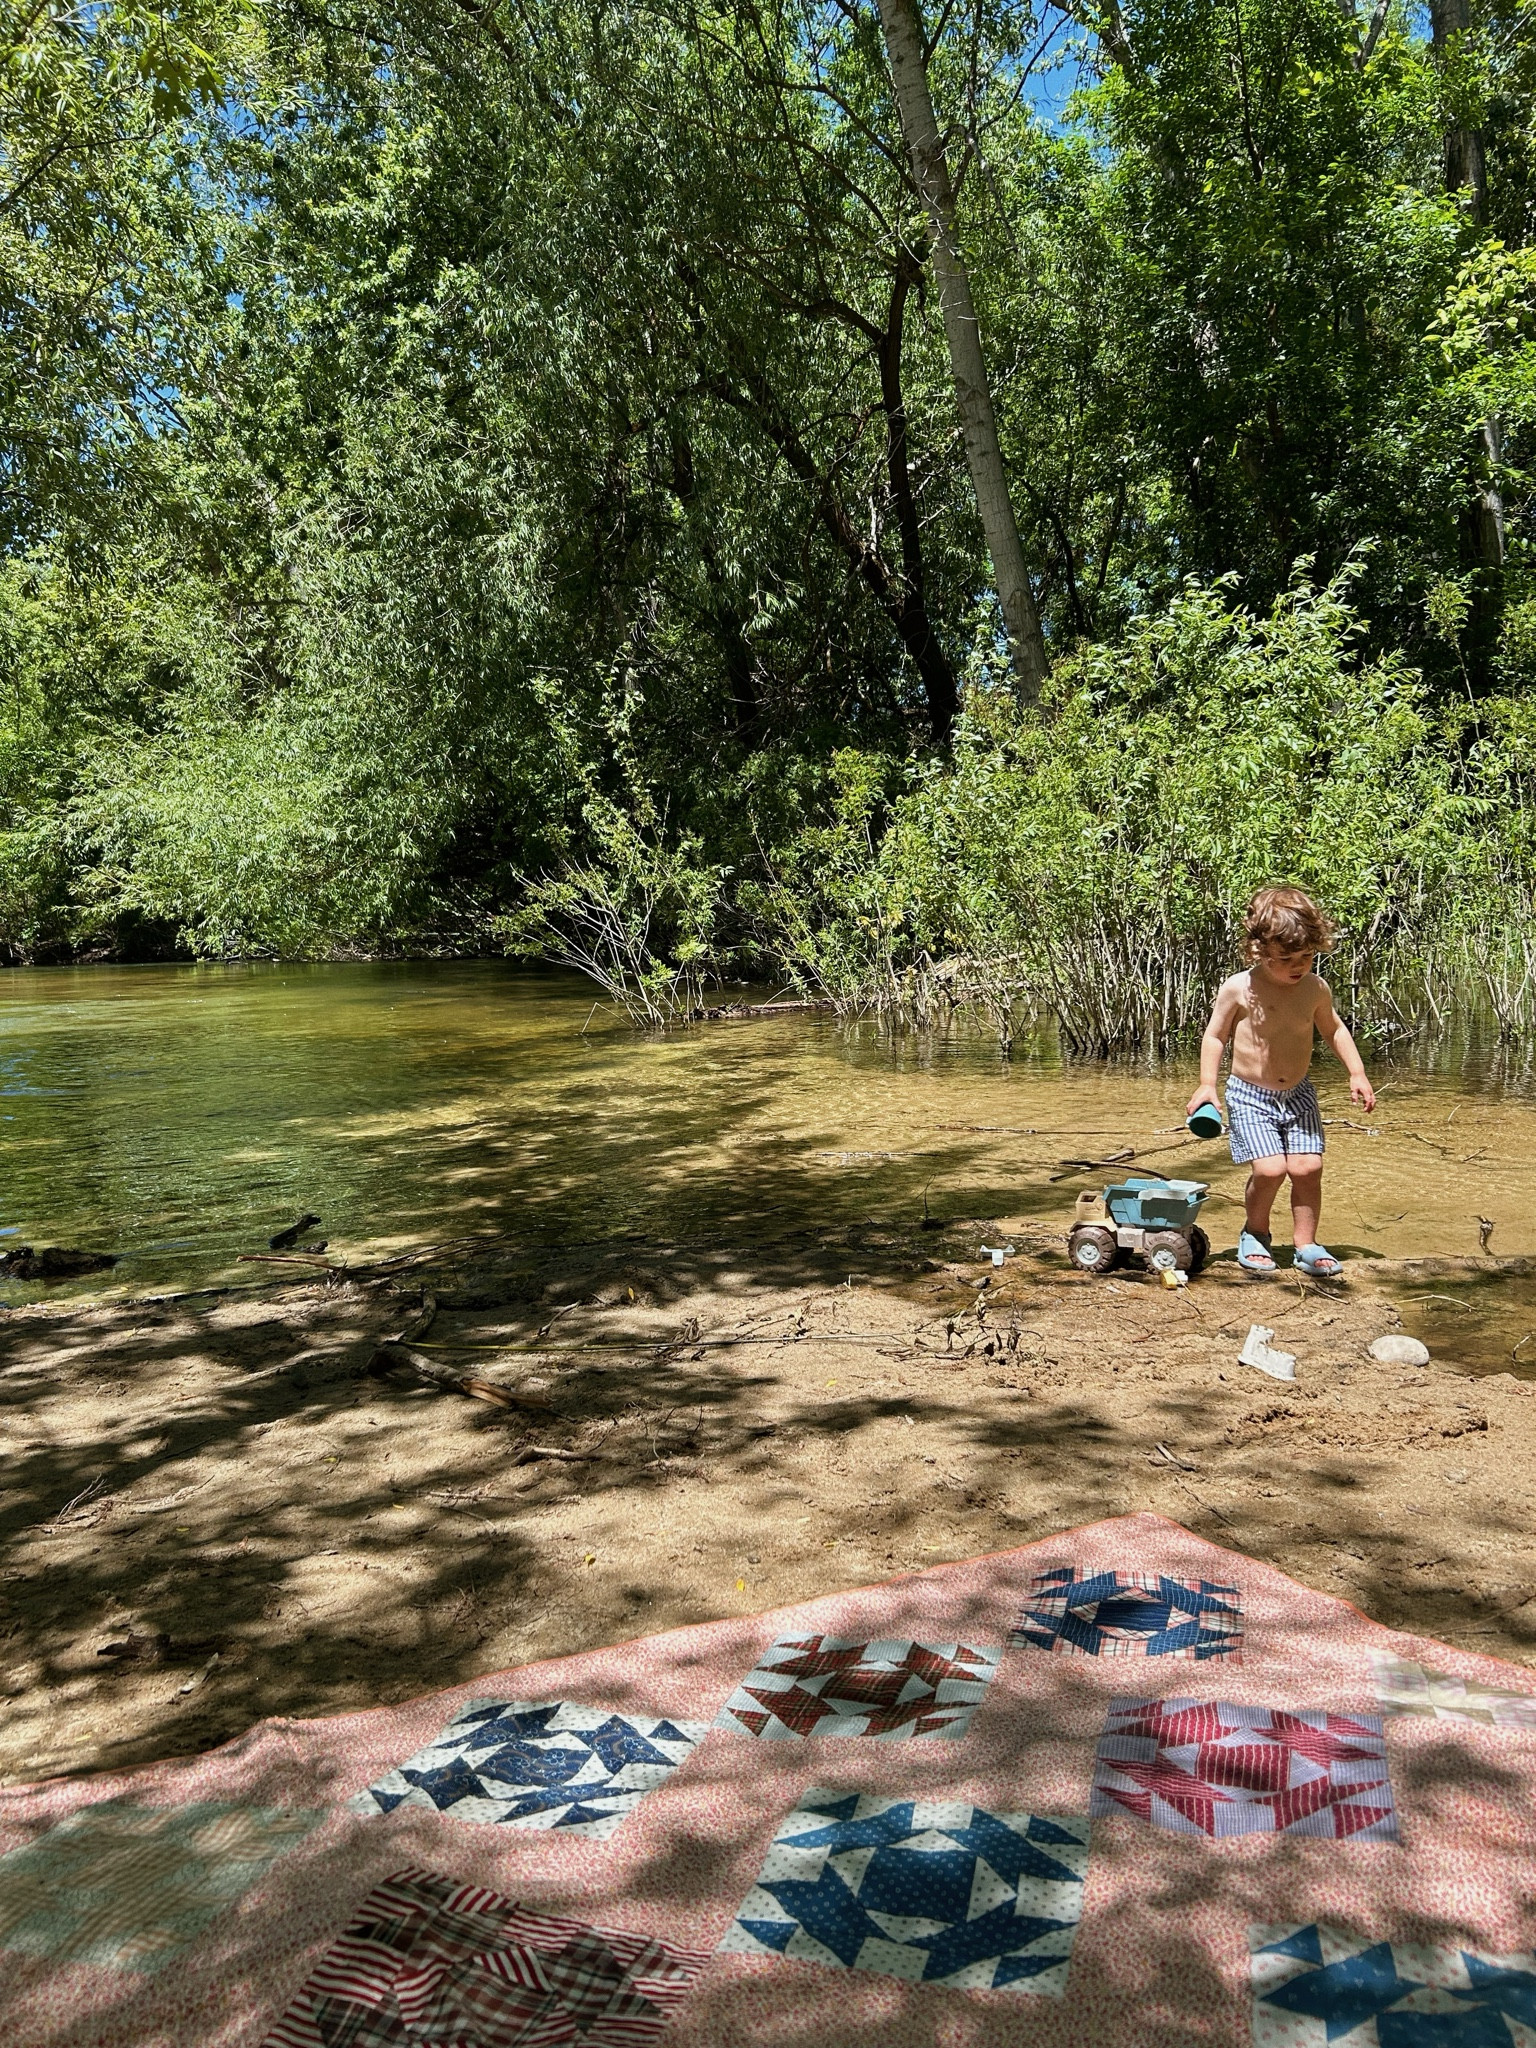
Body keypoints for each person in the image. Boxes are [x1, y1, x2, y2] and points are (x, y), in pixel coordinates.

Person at [1186, 885, 1376, 1277]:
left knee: (1307, 1168)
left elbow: (1334, 1029)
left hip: (1299, 1093)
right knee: (1270, 1170)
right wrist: (1208, 1085)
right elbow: (1214, 1035)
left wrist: (1356, 1072)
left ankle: (1306, 1243)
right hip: (1250, 1094)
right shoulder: (1240, 987)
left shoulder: (1315, 988)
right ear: (1259, 950)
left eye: (1307, 956)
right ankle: (1255, 1233)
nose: (1298, 965)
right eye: (1286, 958)